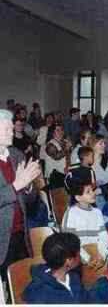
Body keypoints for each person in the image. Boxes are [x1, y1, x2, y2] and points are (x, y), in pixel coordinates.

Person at [0, 110, 41, 284]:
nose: (12, 132)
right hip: (2, 236)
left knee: (22, 283)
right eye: (6, 129)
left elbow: (31, 200)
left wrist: (29, 186)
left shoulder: (17, 155)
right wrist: (18, 184)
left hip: (20, 233)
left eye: (11, 128)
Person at [62, 166, 108, 268]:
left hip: (98, 257)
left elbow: (103, 236)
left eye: (93, 190)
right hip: (78, 260)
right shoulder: (72, 213)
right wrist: (87, 258)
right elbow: (71, 243)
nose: (93, 194)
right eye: (88, 192)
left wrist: (101, 255)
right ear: (78, 197)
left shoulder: (97, 212)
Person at [23, 232, 89, 304]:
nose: (80, 257)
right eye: (78, 253)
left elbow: (84, 299)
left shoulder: (73, 277)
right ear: (69, 260)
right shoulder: (40, 293)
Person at [90, 134, 108, 210]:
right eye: (100, 143)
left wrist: (101, 189)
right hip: (91, 195)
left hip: (105, 195)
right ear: (93, 145)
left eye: (104, 143)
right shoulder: (87, 162)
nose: (104, 145)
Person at [45, 124, 72, 189]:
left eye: (62, 130)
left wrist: (70, 147)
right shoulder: (50, 144)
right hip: (55, 176)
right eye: (58, 130)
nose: (61, 132)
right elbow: (56, 156)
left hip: (65, 173)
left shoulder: (64, 141)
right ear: (52, 133)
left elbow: (69, 156)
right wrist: (67, 148)